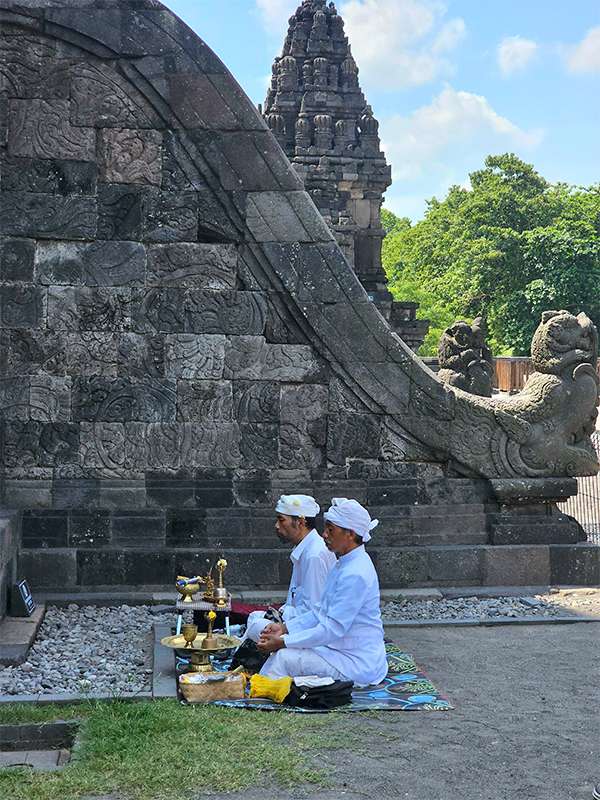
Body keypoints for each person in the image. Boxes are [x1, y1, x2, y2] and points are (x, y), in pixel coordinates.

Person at [257, 498, 388, 687]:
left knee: (283, 658)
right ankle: (264, 687)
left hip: (355, 661)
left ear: (350, 534)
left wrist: (284, 641)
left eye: (331, 530)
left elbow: (331, 628)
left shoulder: (356, 573)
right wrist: (285, 629)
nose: (324, 534)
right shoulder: (343, 563)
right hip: (337, 650)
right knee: (278, 648)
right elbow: (320, 611)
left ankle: (259, 696)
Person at [244, 494, 336, 642]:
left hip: (313, 633)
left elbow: (314, 613)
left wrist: (283, 621)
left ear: (300, 522)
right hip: (296, 622)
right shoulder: (307, 549)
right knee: (254, 618)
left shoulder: (314, 555)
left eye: (281, 520)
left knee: (257, 626)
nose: (276, 526)